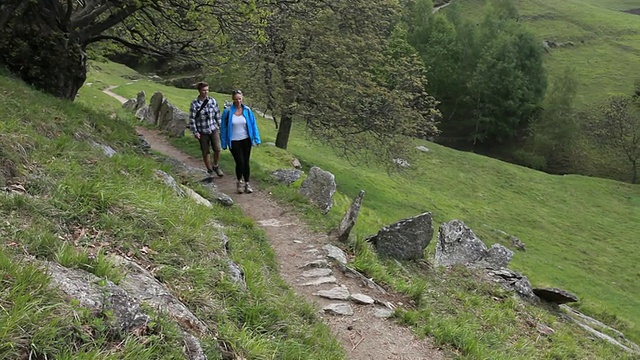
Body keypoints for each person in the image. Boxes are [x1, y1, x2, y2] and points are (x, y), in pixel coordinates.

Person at [220, 89, 262, 194]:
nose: (238, 101)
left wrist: (257, 139)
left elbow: (253, 124)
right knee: (240, 162)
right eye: (236, 99)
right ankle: (239, 182)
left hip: (246, 139)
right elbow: (223, 128)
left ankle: (247, 183)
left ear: (242, 98)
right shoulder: (228, 112)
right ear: (233, 99)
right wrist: (224, 142)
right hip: (234, 141)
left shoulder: (247, 110)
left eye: (240, 99)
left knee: (246, 162)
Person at [189, 82, 224, 177]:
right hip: (202, 130)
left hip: (213, 128)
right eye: (204, 90)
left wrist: (221, 126)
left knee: (217, 149)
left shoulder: (213, 101)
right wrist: (195, 132)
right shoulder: (195, 103)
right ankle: (209, 170)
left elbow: (217, 114)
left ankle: (215, 165)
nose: (206, 92)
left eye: (207, 90)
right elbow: (192, 118)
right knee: (205, 151)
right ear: (200, 91)